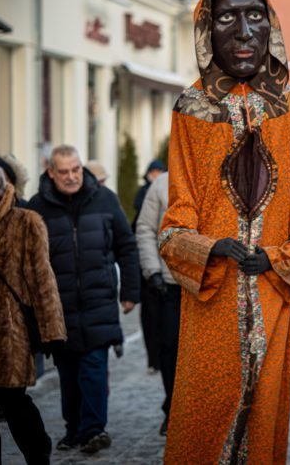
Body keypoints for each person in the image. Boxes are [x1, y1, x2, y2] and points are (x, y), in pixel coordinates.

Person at [159, 0, 290, 463]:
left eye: (255, 16)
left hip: (269, 294)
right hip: (214, 296)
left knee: (265, 411)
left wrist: (277, 258)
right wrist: (207, 248)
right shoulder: (191, 108)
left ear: (271, 26)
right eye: (228, 17)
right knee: (206, 410)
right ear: (208, 30)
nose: (245, 32)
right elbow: (177, 214)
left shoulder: (287, 108)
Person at [27, 145, 141, 455]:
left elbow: (126, 246)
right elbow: (31, 260)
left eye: (75, 169)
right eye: (63, 172)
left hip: (98, 299)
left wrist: (130, 291)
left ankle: (93, 429)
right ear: (51, 172)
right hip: (58, 306)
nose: (71, 176)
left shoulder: (105, 199)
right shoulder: (38, 207)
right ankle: (74, 429)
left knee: (93, 365)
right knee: (68, 372)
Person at [0, 163, 66, 465]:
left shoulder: (24, 222)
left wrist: (53, 334)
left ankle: (39, 455)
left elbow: (42, 281)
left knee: (14, 403)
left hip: (10, 335)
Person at [135, 170, 180, 437]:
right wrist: (152, 271)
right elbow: (146, 229)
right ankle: (173, 408)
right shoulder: (162, 183)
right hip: (170, 284)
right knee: (170, 349)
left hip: (210, 285)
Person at [134, 159, 166, 373]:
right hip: (155, 271)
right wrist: (152, 269)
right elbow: (143, 229)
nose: (154, 174)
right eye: (151, 171)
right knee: (152, 319)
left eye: (158, 171)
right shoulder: (152, 189)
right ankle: (155, 360)